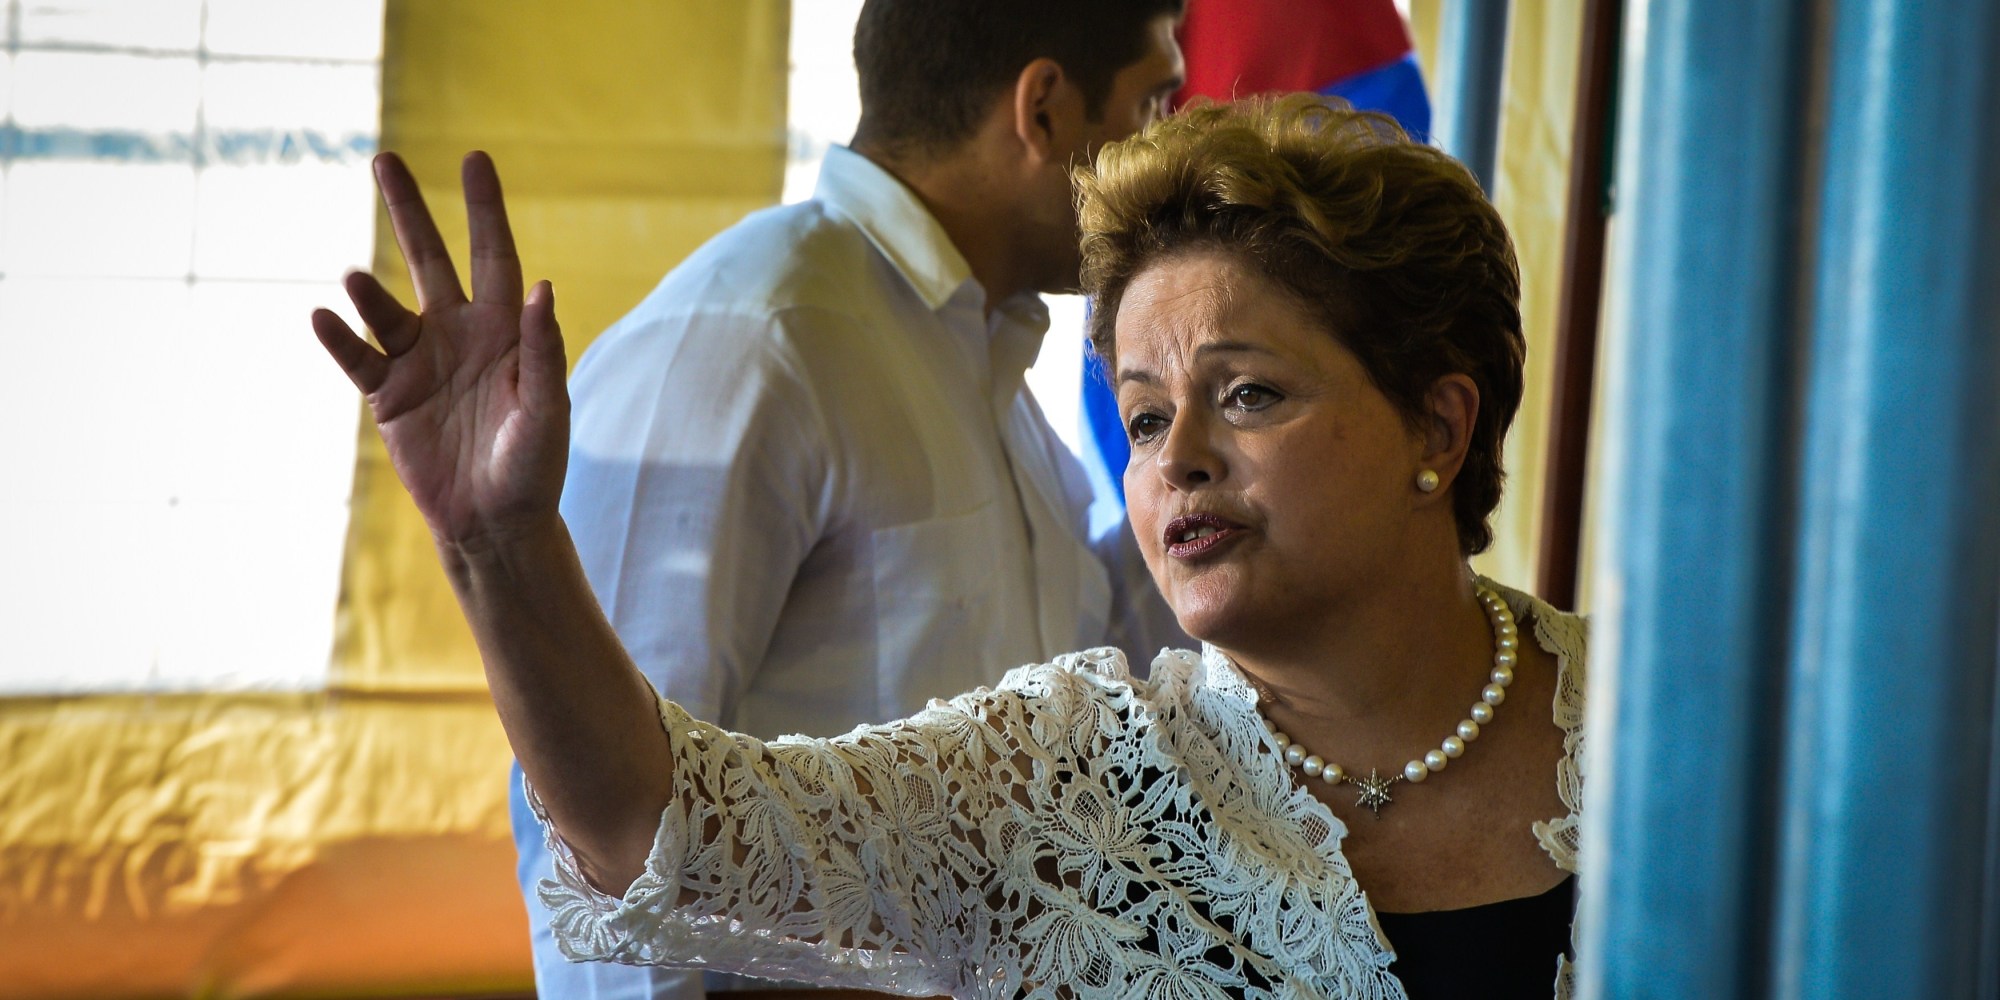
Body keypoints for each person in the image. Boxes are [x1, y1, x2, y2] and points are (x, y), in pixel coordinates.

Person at [311, 93, 1587, 999]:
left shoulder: (1651, 733)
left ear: (1437, 423)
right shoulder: (1063, 775)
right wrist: (500, 547)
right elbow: (658, 822)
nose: (1175, 460)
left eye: (1246, 394)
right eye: (1144, 418)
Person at [511, 2, 1187, 995]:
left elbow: (1080, 698)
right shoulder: (753, 336)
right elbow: (597, 834)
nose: (1164, 160)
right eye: (1153, 104)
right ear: (1042, 110)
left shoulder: (984, 364)